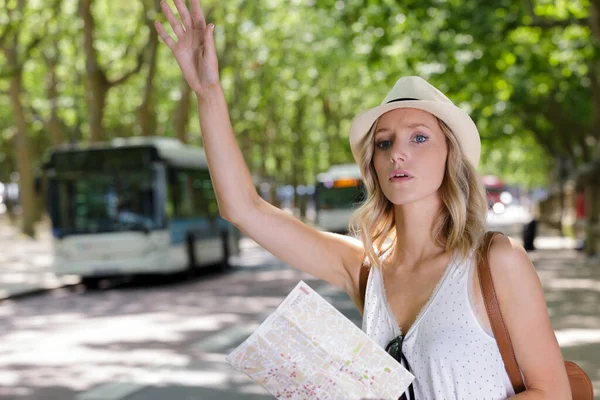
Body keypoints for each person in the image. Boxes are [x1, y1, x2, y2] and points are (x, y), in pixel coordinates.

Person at [154, 1, 571, 398]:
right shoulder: (366, 270)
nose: (397, 153)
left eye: (419, 137)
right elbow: (242, 208)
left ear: (451, 156)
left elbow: (554, 393)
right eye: (384, 143)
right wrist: (208, 94)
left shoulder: (496, 261)